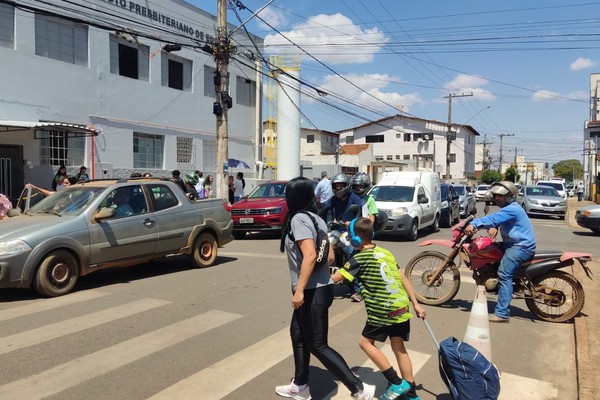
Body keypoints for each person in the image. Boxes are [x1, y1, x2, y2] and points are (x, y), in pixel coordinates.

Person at [276, 177, 376, 400]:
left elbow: (311, 255)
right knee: (297, 334)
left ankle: (359, 388)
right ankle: (300, 385)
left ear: (294, 197)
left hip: (311, 291)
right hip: (322, 288)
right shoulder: (317, 219)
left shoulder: (299, 219)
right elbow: (330, 257)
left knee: (318, 345)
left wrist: (300, 289)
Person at [332, 217, 425, 400]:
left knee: (365, 343)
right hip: (401, 306)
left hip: (383, 310)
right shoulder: (385, 252)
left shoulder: (358, 258)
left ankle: (396, 383)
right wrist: (416, 303)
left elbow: (336, 279)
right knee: (399, 347)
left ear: (355, 239)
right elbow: (402, 277)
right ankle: (412, 394)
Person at [464, 181, 536, 323]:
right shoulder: (509, 208)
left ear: (509, 196)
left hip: (520, 247)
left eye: (500, 196)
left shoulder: (512, 209)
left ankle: (502, 313)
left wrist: (474, 224)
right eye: (495, 195)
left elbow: (493, 218)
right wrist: (494, 226)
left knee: (504, 274)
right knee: (489, 251)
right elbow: (498, 220)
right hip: (512, 244)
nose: (496, 198)